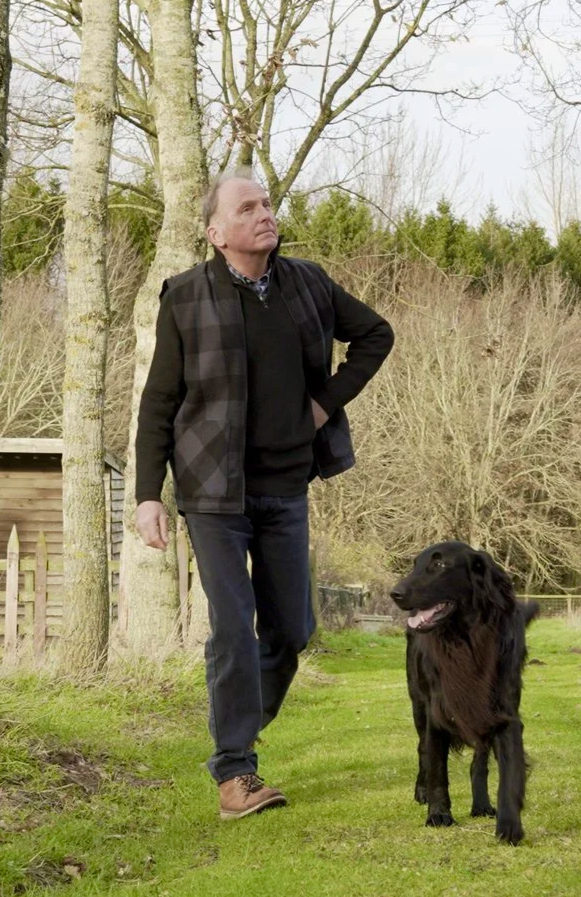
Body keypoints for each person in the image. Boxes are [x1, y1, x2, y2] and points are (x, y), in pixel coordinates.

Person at [131, 170, 395, 820]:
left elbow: (375, 335)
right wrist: (147, 494)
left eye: (267, 204)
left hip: (285, 487)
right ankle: (235, 771)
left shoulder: (308, 284)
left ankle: (237, 731)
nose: (263, 214)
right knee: (232, 627)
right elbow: (159, 402)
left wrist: (323, 403)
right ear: (216, 232)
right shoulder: (186, 297)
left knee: (292, 631)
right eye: (246, 208)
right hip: (212, 492)